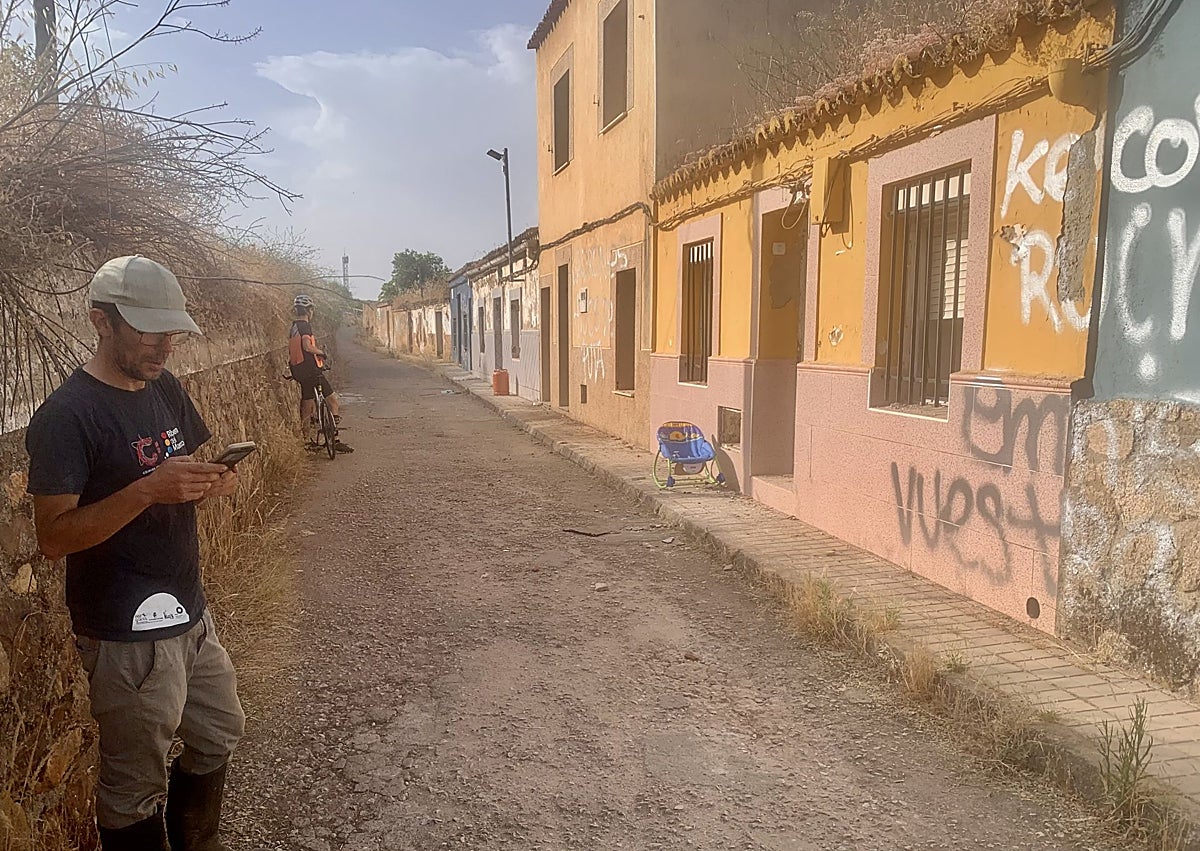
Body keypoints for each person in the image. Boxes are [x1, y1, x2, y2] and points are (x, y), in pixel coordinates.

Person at [25, 256, 245, 851]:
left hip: (190, 615)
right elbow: (54, 537)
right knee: (132, 789)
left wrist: (209, 481)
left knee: (220, 730)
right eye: (150, 330)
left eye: (171, 330)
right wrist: (147, 489)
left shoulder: (162, 387)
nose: (165, 345)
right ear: (101, 322)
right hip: (125, 635)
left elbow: (183, 470)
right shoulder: (66, 417)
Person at [287, 295, 349, 450]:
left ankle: (307, 440)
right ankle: (333, 438)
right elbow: (307, 346)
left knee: (307, 405)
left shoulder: (293, 327)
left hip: (298, 371)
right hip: (311, 371)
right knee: (333, 400)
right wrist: (321, 352)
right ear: (310, 311)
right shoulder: (305, 326)